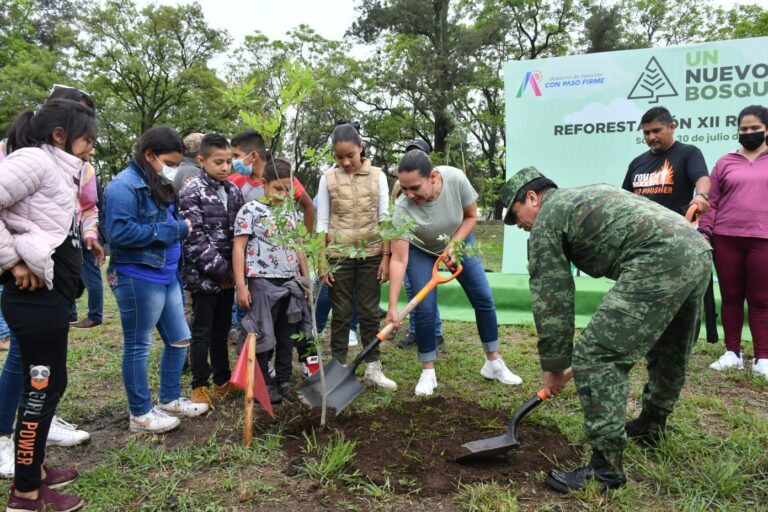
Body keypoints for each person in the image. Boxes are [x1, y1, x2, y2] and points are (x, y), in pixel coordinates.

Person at [501, 167, 711, 493]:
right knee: (671, 348)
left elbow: (552, 295)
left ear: (532, 197)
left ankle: (606, 471)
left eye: (517, 217)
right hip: (696, 249)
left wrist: (554, 365)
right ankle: (652, 425)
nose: (522, 227)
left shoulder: (548, 219)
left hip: (658, 258)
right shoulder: (582, 195)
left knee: (596, 357)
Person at [0, 99, 97, 512]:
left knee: (48, 386)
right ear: (60, 135)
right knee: (41, 391)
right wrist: (11, 259)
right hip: (33, 301)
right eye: (87, 139)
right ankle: (25, 495)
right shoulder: (34, 162)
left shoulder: (60, 171)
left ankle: (34, 470)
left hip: (52, 298)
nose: (91, 149)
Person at [387, 150, 521, 396]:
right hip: (420, 250)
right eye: (404, 189)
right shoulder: (402, 207)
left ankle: (493, 362)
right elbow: (399, 258)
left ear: (434, 177)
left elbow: (471, 216)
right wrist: (393, 306)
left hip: (458, 241)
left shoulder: (456, 179)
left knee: (483, 297)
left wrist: (455, 244)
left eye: (414, 187)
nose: (409, 194)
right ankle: (428, 370)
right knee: (425, 309)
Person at [105, 126, 209, 435]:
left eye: (177, 162)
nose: (173, 168)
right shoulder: (123, 187)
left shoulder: (158, 183)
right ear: (149, 155)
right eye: (170, 161)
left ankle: (168, 399)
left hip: (167, 274)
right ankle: (139, 414)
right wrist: (174, 230)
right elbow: (120, 233)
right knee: (138, 345)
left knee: (179, 339)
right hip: (138, 275)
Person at [316, 122, 397, 391]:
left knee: (368, 312)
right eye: (339, 157)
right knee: (339, 313)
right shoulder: (327, 177)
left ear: (361, 148)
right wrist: (321, 258)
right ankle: (338, 370)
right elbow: (323, 221)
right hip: (338, 255)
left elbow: (385, 219)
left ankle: (373, 368)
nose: (346, 162)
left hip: (371, 254)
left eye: (350, 155)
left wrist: (386, 256)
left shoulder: (378, 176)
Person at [233, 158, 313, 403]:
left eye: (289, 189)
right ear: (264, 184)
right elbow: (239, 248)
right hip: (262, 283)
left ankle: (285, 380)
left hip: (290, 283)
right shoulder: (250, 210)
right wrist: (241, 286)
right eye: (278, 189)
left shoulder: (291, 212)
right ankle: (264, 384)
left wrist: (305, 280)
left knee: (288, 333)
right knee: (263, 335)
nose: (284, 195)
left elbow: (299, 246)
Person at [699, 105, 768, 380]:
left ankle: (763, 357)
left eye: (754, 129)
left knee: (762, 300)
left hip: (763, 238)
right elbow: (711, 202)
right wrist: (706, 231)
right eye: (744, 129)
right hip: (726, 237)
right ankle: (733, 353)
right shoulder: (725, 161)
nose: (749, 133)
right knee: (730, 297)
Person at [179, 133, 244, 407]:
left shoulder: (234, 191)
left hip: (230, 278)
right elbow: (194, 240)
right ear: (201, 160)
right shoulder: (191, 190)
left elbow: (241, 235)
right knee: (202, 331)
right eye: (219, 162)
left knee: (221, 330)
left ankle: (222, 380)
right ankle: (199, 385)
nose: (226, 167)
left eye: (229, 161)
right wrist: (223, 272)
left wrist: (236, 274)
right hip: (204, 277)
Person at [395, 139, 444, 350]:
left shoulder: (440, 182)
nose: (410, 193)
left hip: (435, 244)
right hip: (410, 245)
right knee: (413, 289)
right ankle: (416, 330)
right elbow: (394, 224)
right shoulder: (401, 191)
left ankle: (436, 332)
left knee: (427, 293)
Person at [622, 106, 710, 216]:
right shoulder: (636, 163)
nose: (651, 137)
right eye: (646, 133)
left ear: (672, 127)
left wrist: (701, 196)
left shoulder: (689, 153)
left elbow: (702, 178)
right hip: (639, 230)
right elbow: (624, 198)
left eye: (656, 131)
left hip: (675, 229)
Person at [229, 129, 314, 232]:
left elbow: (308, 205)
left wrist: (305, 242)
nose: (233, 161)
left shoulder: (282, 178)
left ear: (253, 156)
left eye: (236, 156)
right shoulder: (234, 181)